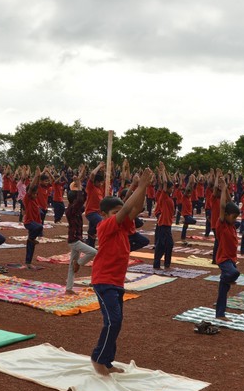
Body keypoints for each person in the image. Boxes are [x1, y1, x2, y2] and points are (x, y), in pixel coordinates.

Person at [89, 167, 152, 376]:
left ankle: (107, 361)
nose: (120, 215)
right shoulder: (105, 226)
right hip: (103, 280)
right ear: (104, 215)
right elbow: (126, 210)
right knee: (112, 321)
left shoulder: (123, 227)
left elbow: (137, 208)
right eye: (114, 213)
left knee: (116, 322)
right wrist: (140, 185)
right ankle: (98, 358)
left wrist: (143, 188)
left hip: (116, 282)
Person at [65, 166, 96, 294]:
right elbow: (80, 199)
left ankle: (68, 288)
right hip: (74, 240)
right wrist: (78, 184)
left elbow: (83, 197)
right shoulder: (71, 210)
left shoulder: (76, 209)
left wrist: (80, 181)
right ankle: (79, 263)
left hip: (76, 239)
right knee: (94, 252)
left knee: (71, 266)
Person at [213, 174, 241, 318]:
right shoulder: (223, 225)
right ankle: (225, 278)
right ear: (227, 215)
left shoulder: (232, 226)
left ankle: (220, 313)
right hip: (224, 259)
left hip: (231, 259)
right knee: (234, 274)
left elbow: (230, 204)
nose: (235, 219)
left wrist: (227, 190)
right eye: (234, 216)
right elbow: (224, 206)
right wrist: (223, 188)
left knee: (224, 289)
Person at [153, 161, 175, 269]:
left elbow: (168, 182)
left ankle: (164, 263)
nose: (172, 189)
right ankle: (159, 263)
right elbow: (166, 183)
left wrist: (164, 170)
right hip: (163, 224)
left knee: (165, 245)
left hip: (167, 224)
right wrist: (162, 171)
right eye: (171, 188)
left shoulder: (169, 197)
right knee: (164, 245)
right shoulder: (164, 196)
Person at [22, 168, 44, 267]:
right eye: (34, 194)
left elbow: (36, 187)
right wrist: (36, 176)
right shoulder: (27, 199)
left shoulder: (35, 200)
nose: (35, 195)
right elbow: (31, 188)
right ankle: (31, 239)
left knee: (31, 245)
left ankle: (28, 262)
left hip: (34, 224)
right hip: (29, 222)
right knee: (39, 227)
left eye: (36, 194)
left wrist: (39, 177)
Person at [84, 162, 105, 248]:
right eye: (99, 182)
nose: (101, 184)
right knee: (102, 223)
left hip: (98, 212)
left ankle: (90, 246)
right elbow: (92, 174)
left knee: (92, 235)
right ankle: (91, 234)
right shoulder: (91, 187)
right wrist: (99, 166)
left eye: (101, 183)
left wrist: (103, 170)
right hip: (91, 212)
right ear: (95, 182)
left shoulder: (100, 188)